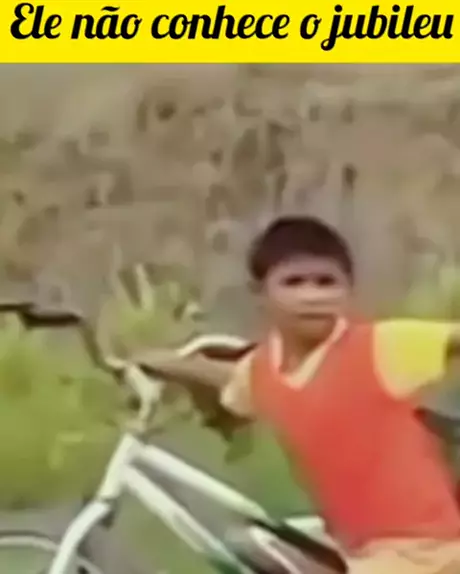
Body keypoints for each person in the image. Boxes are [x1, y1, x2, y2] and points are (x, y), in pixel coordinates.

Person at [136, 216, 460, 574]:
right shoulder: (264, 370)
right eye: (294, 282)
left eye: (326, 282)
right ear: (260, 293)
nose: (312, 297)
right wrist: (165, 363)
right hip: (358, 547)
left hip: (425, 549)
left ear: (348, 289)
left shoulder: (378, 346)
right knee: (249, 545)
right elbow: (232, 382)